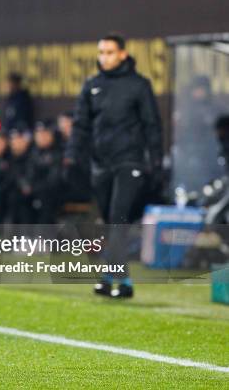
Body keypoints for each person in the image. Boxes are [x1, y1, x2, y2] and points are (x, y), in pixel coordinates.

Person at [65, 34, 163, 298]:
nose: (104, 57)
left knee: (118, 218)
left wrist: (156, 158)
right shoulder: (92, 85)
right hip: (101, 164)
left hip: (129, 161)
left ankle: (113, 280)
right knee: (111, 222)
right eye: (101, 52)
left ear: (122, 54)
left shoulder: (138, 85)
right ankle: (121, 281)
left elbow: (152, 124)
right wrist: (72, 153)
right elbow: (81, 124)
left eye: (109, 52)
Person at [27, 121, 63, 223]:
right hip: (36, 190)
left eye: (45, 134)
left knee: (46, 197)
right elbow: (30, 175)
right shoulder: (33, 152)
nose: (41, 137)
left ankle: (44, 236)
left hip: (54, 192)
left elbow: (54, 180)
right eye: (38, 134)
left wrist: (35, 188)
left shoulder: (58, 151)